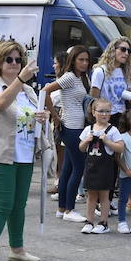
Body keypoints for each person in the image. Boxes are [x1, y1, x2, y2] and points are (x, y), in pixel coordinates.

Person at [0, 39, 47, 261]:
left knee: (19, 205)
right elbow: (1, 103)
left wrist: (40, 116)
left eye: (18, 59)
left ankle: (17, 249)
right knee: (3, 204)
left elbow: (29, 115)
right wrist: (21, 79)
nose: (15, 63)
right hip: (1, 154)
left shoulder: (26, 90)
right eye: (10, 59)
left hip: (24, 153)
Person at [42, 45, 93, 222]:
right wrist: (54, 116)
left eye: (87, 60)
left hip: (77, 127)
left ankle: (62, 207)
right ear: (73, 60)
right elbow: (45, 90)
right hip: (71, 128)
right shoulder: (70, 77)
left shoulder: (81, 78)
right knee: (78, 169)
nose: (84, 63)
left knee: (68, 169)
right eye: (81, 59)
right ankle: (69, 210)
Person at [79, 99, 123, 235]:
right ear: (94, 112)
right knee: (91, 196)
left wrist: (107, 141)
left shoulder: (112, 130)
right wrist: (87, 140)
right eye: (101, 111)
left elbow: (120, 147)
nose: (104, 114)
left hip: (105, 168)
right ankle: (89, 221)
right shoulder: (88, 129)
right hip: (91, 167)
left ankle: (104, 222)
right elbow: (81, 148)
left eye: (107, 112)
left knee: (104, 196)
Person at [91, 38, 131, 127]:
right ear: (113, 50)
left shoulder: (127, 72)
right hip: (105, 116)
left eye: (129, 51)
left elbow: (128, 97)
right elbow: (94, 98)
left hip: (122, 116)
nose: (126, 53)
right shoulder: (100, 71)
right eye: (123, 49)